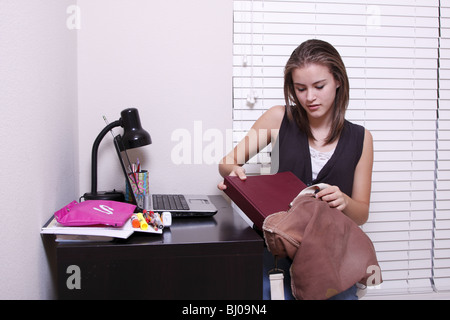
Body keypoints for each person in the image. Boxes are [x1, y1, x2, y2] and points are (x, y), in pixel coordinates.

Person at [217, 39, 374, 300]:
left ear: (338, 81)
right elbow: (226, 163)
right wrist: (235, 173)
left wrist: (344, 201)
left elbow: (361, 214)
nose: (309, 97)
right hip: (276, 258)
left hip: (333, 265)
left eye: (319, 86)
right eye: (300, 88)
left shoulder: (362, 138)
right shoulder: (279, 118)